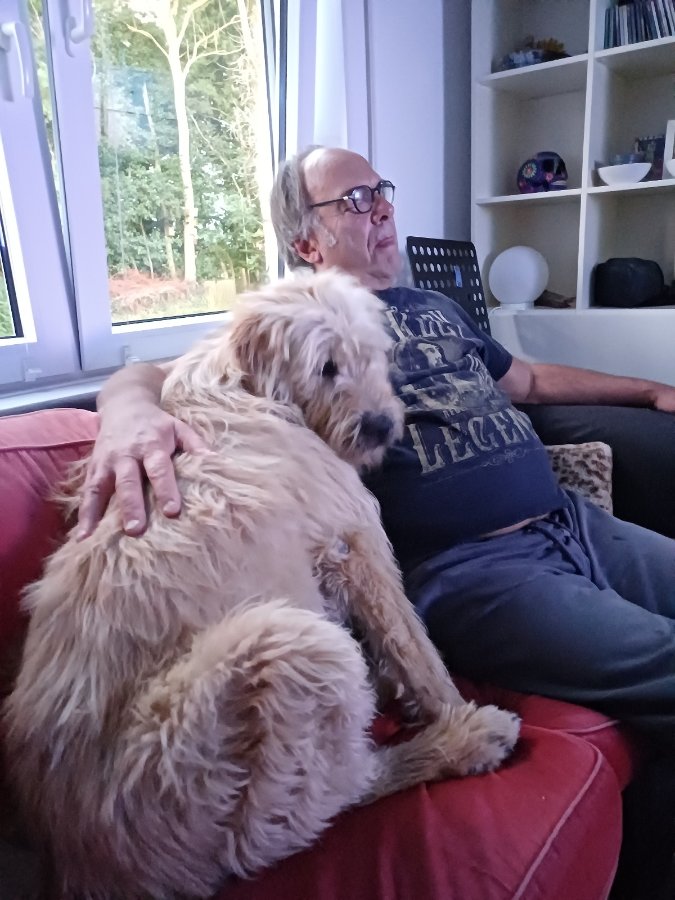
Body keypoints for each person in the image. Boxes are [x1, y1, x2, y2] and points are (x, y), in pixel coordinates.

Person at [79, 145, 675, 742]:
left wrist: (649, 390)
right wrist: (129, 412)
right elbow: (162, 373)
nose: (383, 209)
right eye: (356, 201)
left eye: (381, 192)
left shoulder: (439, 307)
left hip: (571, 522)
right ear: (307, 244)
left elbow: (531, 382)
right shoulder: (294, 328)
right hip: (471, 570)